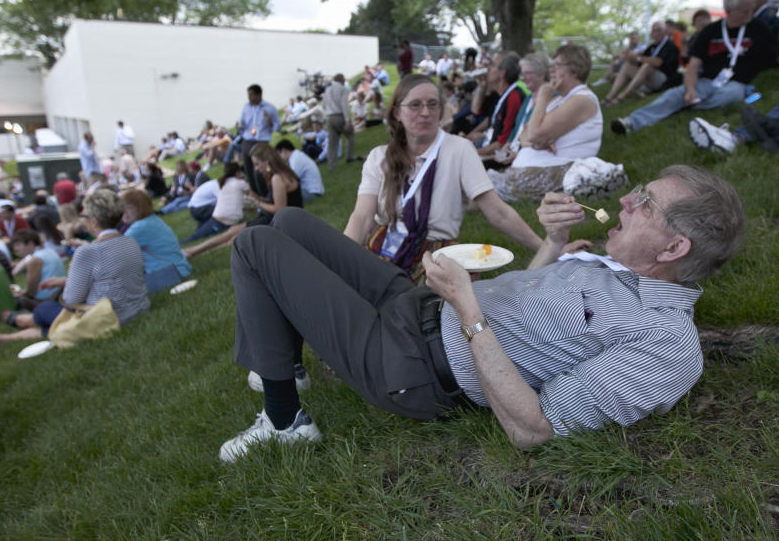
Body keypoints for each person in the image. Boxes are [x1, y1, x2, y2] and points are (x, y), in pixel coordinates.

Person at [218, 165, 744, 461]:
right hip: (419, 304)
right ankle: (284, 363)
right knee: (288, 220)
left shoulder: (665, 345)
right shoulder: (614, 266)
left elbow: (534, 429)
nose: (625, 201)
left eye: (645, 204)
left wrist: (466, 303)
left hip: (411, 367)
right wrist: (555, 241)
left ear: (674, 249)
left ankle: (284, 418)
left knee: (254, 245)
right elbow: (536, 295)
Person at [343, 74, 542, 282]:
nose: (425, 113)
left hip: (437, 254)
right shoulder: (379, 157)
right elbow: (362, 217)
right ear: (397, 113)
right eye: (415, 105)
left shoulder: (459, 149)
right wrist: (339, 258)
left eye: (432, 104)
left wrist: (545, 246)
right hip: (383, 246)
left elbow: (498, 212)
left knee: (425, 307)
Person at [0, 189, 150, 344]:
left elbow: (71, 299)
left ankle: (14, 326)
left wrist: (71, 277)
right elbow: (112, 276)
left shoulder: (87, 252)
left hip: (108, 317)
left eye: (84, 215)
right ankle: (7, 332)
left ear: (93, 222)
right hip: (138, 308)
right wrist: (65, 280)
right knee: (47, 315)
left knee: (44, 310)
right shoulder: (130, 241)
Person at [613, 0, 779, 135]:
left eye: (751, 9)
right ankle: (631, 122)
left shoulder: (759, 29)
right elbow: (693, 65)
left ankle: (682, 107)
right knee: (676, 93)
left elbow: (771, 60)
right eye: (744, 11)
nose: (749, 15)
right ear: (729, 9)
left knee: (730, 95)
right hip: (708, 81)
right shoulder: (710, 32)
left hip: (740, 84)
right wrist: (690, 89)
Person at [488, 45, 602, 201]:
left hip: (552, 173)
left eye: (557, 65)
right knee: (473, 188)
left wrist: (542, 96)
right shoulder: (562, 99)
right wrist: (534, 143)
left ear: (575, 69)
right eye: (552, 65)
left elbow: (534, 133)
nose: (552, 70)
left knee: (477, 191)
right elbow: (524, 133)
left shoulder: (581, 99)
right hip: (534, 171)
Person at [183, 144, 301, 259]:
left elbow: (279, 209)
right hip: (275, 218)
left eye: (257, 164)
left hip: (281, 222)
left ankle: (195, 252)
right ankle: (193, 251)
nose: (256, 169)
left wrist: (257, 203)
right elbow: (277, 201)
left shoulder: (277, 178)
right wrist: (259, 199)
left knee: (234, 236)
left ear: (267, 160)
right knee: (232, 232)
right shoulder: (280, 174)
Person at [122, 189, 192, 293]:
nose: (124, 213)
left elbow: (116, 250)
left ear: (140, 208)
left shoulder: (139, 228)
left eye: (128, 208)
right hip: (181, 268)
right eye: (122, 209)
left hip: (168, 274)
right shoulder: (152, 219)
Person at [603, 21, 681, 106]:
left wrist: (638, 58)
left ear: (665, 32)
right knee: (627, 66)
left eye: (659, 30)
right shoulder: (652, 46)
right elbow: (639, 61)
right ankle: (609, 97)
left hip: (663, 80)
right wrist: (629, 56)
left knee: (647, 66)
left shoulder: (669, 45)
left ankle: (622, 97)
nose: (655, 33)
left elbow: (658, 62)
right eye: (653, 31)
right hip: (649, 79)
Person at [182, 163, 248, 243]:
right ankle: (195, 236)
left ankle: (201, 229)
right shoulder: (219, 185)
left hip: (196, 209)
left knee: (214, 220)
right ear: (237, 173)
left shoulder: (219, 182)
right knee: (221, 217)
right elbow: (226, 202)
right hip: (199, 209)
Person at [6, 229, 66, 314]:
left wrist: (21, 293)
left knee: (13, 299)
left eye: (18, 245)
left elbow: (31, 291)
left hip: (47, 299)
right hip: (60, 293)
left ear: (30, 244)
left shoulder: (35, 260)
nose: (15, 249)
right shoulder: (49, 251)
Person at [238, 84, 281, 197]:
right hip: (247, 141)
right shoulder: (246, 107)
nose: (249, 97)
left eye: (251, 95)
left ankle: (267, 196)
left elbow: (278, 127)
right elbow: (243, 124)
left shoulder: (269, 108)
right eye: (248, 95)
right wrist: (240, 129)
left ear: (259, 94)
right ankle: (258, 199)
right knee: (249, 172)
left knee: (259, 171)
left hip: (261, 143)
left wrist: (269, 122)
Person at [322, 73, 357, 169]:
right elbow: (344, 105)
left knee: (332, 143)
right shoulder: (343, 89)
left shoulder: (327, 90)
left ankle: (331, 165)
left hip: (329, 117)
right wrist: (347, 120)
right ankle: (350, 156)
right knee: (350, 135)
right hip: (340, 116)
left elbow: (323, 106)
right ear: (342, 80)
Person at [275, 139, 324, 204]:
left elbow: (291, 181)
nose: (279, 158)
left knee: (285, 191)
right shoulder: (297, 155)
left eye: (279, 154)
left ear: (284, 150)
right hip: (314, 192)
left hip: (312, 194)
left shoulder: (295, 160)